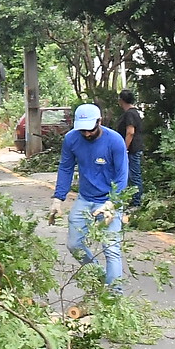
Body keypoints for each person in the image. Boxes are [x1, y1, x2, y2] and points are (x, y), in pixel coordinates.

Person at [52, 102, 129, 292]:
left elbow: (122, 177)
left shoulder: (115, 141)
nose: (86, 134)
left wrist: (112, 204)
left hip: (109, 200)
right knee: (74, 244)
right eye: (82, 131)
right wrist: (57, 199)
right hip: (85, 199)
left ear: (99, 122)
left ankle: (114, 298)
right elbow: (66, 168)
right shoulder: (71, 140)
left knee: (111, 249)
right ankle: (100, 278)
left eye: (90, 130)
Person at [116, 90, 143, 207]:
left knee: (134, 175)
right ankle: (132, 200)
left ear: (121, 100)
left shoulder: (130, 114)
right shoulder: (135, 112)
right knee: (131, 175)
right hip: (134, 149)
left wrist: (124, 149)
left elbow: (130, 132)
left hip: (132, 150)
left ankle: (137, 203)